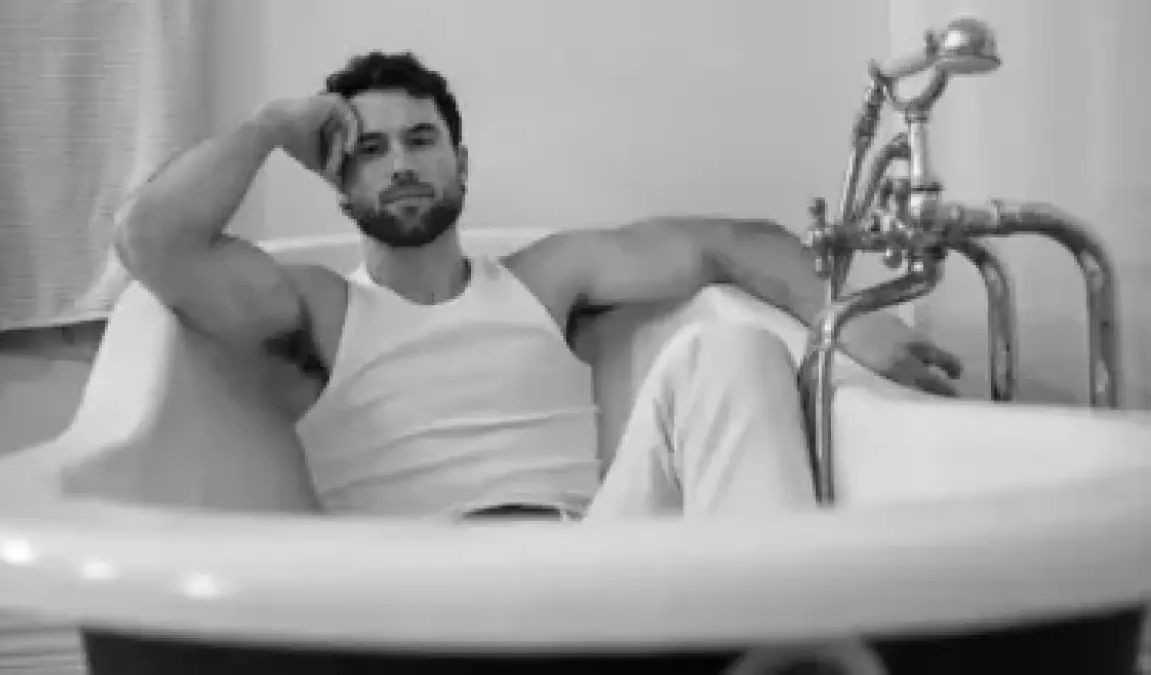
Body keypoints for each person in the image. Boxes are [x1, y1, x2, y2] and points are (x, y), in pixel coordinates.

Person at [115, 51, 961, 521]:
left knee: (732, 351)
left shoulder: (547, 280)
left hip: (581, 580)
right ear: (341, 188)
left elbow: (729, 244)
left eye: (420, 140)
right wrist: (270, 127)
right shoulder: (320, 311)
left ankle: (783, 641)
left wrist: (847, 321)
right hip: (414, 611)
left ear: (460, 163)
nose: (400, 163)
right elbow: (150, 239)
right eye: (370, 150)